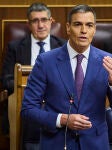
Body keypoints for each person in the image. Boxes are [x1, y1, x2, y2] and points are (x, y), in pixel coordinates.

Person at [21, 4, 112, 150]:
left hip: (95, 145)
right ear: (68, 27)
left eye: (89, 25)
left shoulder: (108, 61)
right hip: (57, 143)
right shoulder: (46, 61)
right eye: (78, 24)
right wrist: (63, 119)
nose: (84, 30)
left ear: (94, 29)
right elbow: (28, 110)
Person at [1, 2, 66, 150]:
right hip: (25, 101)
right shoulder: (15, 47)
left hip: (56, 103)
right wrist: (34, 87)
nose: (40, 25)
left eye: (44, 20)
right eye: (35, 21)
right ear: (28, 24)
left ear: (51, 21)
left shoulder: (63, 46)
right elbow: (6, 80)